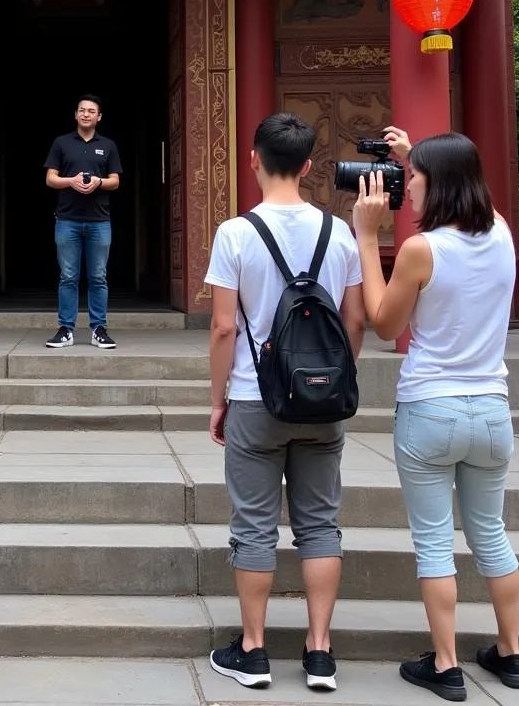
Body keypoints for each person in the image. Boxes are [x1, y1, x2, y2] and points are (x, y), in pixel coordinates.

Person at [353, 127, 519, 702]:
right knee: (492, 536)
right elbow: (469, 187)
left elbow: (384, 323)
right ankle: (510, 654)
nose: (407, 184)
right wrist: (413, 154)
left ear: (439, 184)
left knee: (433, 542)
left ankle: (447, 664)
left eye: (415, 177)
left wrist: (365, 235)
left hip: (431, 407)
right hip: (493, 411)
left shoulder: (422, 249)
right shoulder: (501, 232)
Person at [205, 113, 365, 692]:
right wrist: (334, 380)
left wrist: (217, 399)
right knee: (320, 524)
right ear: (306, 166)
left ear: (253, 160)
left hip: (256, 397)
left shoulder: (236, 233)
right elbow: (355, 318)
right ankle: (319, 652)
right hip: (322, 403)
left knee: (253, 527)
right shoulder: (341, 232)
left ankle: (253, 651)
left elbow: (224, 328)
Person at [43, 95, 122, 350]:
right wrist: (72, 181)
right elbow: (50, 179)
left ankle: (99, 328)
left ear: (99, 117)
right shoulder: (61, 143)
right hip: (67, 220)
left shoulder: (108, 145)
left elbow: (115, 181)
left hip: (100, 221)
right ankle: (66, 329)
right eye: (82, 110)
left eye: (91, 111)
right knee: (68, 277)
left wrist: (98, 181)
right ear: (75, 115)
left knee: (98, 277)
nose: (86, 114)